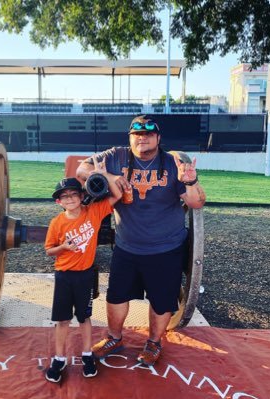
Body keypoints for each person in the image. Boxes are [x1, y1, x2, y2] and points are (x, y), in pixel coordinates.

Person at [76, 114, 206, 367]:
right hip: (127, 245)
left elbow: (196, 202)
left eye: (148, 134)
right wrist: (111, 178)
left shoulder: (172, 163)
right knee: (116, 297)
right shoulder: (115, 156)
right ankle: (114, 338)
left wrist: (190, 180)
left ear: (158, 138)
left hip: (166, 247)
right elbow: (81, 169)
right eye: (137, 134)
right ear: (130, 138)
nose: (142, 138)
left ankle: (153, 343)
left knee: (161, 299)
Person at [44, 158, 122, 383]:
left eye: (74, 195)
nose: (70, 199)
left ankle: (87, 354)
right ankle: (59, 358)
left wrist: (104, 175)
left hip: (85, 275)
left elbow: (115, 196)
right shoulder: (57, 223)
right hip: (64, 276)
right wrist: (64, 247)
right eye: (64, 196)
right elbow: (49, 250)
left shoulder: (94, 212)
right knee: (62, 320)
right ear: (59, 201)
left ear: (81, 196)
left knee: (84, 317)